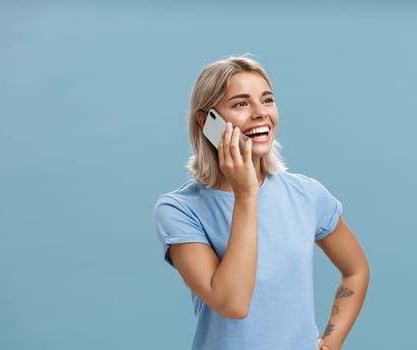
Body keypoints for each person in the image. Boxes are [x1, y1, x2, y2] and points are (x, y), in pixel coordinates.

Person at [153, 56, 369, 350]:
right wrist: (246, 194)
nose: (260, 113)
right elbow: (233, 304)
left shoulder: (307, 194)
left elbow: (355, 270)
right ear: (207, 122)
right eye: (241, 104)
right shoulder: (178, 210)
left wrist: (331, 343)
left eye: (267, 100)